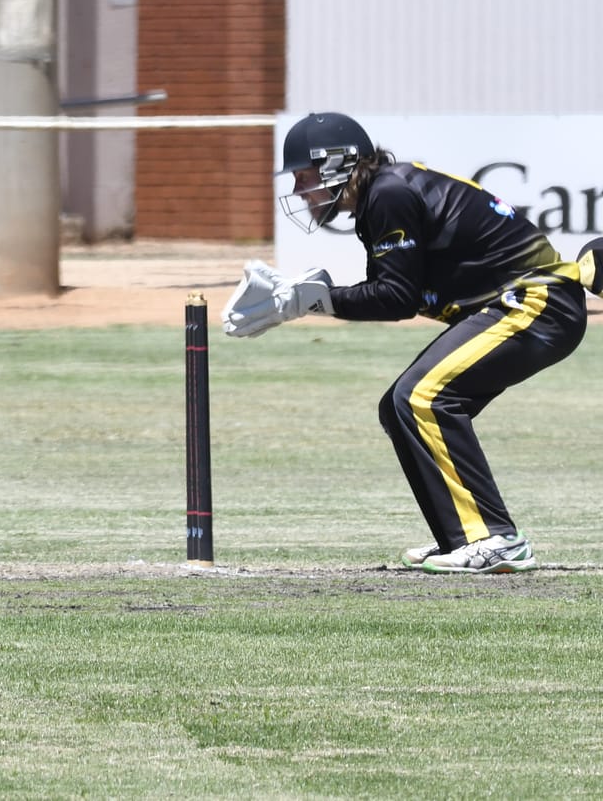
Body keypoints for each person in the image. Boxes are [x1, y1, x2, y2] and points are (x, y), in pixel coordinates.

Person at [224, 111, 603, 573]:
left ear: (338, 163)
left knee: (422, 398)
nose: (301, 190)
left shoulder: (387, 194)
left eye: (305, 176)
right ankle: (461, 537)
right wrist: (309, 298)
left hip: (535, 305)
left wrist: (311, 303)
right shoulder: (381, 195)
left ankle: (495, 539)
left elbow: (394, 298)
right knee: (400, 407)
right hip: (525, 306)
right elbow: (394, 290)